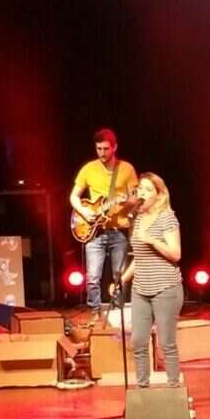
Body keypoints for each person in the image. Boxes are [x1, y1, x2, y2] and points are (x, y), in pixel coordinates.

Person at [112, 173, 183, 387]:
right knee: (139, 341)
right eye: (140, 189)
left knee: (166, 342)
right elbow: (139, 257)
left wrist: (151, 239)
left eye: (148, 189)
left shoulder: (167, 218)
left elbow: (176, 253)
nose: (142, 193)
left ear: (159, 195)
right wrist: (122, 280)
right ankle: (142, 390)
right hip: (141, 288)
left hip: (165, 287)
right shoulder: (138, 219)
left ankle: (174, 389)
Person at [70, 129, 138, 323]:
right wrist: (85, 213)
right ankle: (95, 315)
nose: (102, 153)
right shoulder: (88, 169)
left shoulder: (126, 169)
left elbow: (135, 198)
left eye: (106, 149)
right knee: (92, 277)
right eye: (99, 148)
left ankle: (117, 317)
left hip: (119, 231)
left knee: (119, 277)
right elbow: (74, 197)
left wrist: (127, 202)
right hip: (95, 231)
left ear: (114, 147)